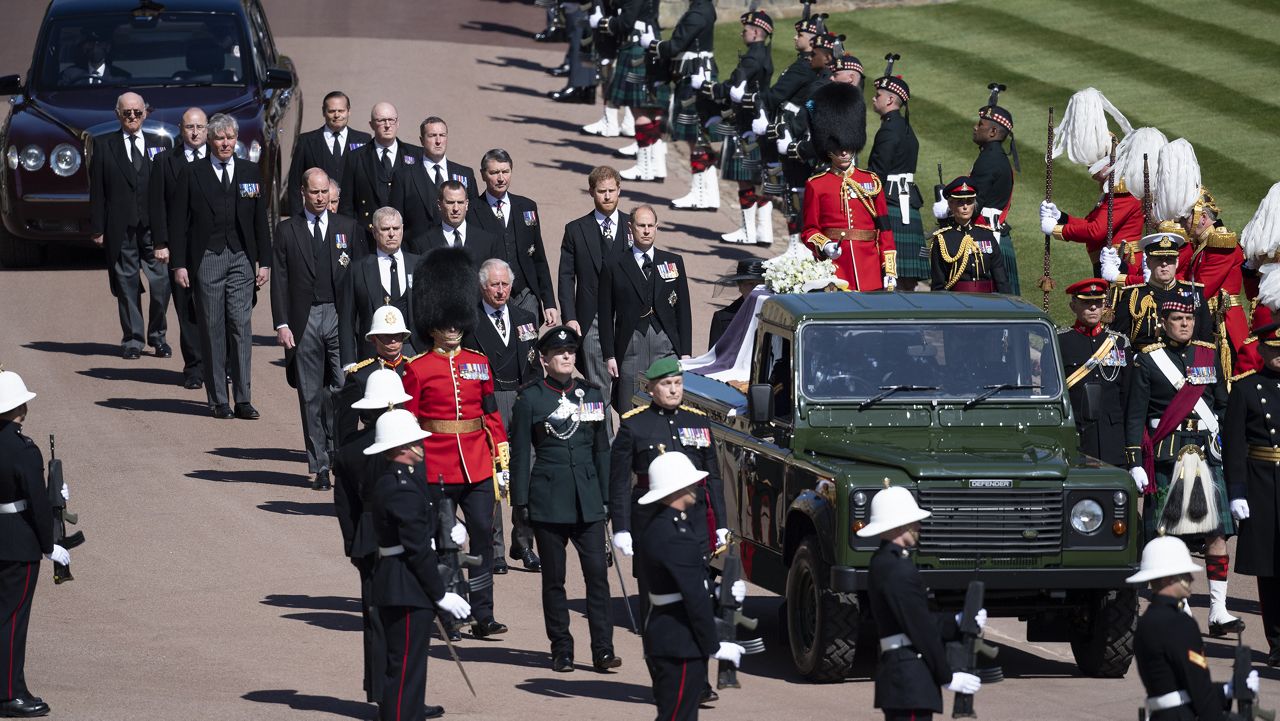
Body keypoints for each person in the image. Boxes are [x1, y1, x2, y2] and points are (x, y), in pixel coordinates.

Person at [402, 247, 510, 639]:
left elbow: (490, 412)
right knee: (446, 542)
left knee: (483, 534)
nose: (452, 329)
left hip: (478, 461)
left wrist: (502, 457)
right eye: (446, 323)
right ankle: (450, 609)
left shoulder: (479, 363)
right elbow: (410, 422)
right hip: (438, 465)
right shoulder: (417, 369)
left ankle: (483, 612)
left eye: (456, 323)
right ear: (433, 324)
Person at [1125, 300, 1242, 636]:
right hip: (1168, 454)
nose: (1185, 324)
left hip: (1206, 452)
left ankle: (1219, 610)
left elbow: (1222, 405)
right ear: (1163, 322)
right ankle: (1183, 610)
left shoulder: (1208, 354)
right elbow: (1136, 415)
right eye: (1177, 318)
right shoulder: (1148, 360)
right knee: (1169, 534)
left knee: (1217, 533)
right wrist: (1135, 461)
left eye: (1189, 318)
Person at [510, 326, 617, 672]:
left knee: (597, 577)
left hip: (587, 500)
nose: (567, 357)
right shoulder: (531, 398)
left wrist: (607, 498)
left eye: (571, 352)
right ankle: (562, 649)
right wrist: (520, 502)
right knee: (554, 579)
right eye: (559, 353)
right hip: (548, 500)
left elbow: (602, 450)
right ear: (544, 359)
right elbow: (521, 454)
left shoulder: (593, 394)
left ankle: (602, 649)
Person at [366, 409, 471, 721]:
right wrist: (439, 594)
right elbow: (417, 550)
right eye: (415, 442)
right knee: (405, 667)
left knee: (409, 666)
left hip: (401, 582)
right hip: (406, 586)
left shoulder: (400, 482)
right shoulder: (400, 488)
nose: (420, 447)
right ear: (401, 448)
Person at [170, 112, 271, 420]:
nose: (225, 143)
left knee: (241, 326)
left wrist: (264, 261)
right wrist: (179, 264)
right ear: (210, 141)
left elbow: (259, 221)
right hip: (207, 259)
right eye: (219, 138)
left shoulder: (250, 171)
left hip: (241, 257)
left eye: (230, 137)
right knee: (213, 328)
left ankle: (243, 398)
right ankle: (218, 400)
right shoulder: (192, 173)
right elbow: (178, 223)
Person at [609, 358, 726, 614]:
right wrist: (622, 528)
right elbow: (619, 481)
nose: (673, 390)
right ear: (651, 389)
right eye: (666, 384)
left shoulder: (698, 422)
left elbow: (713, 478)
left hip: (694, 518)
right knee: (655, 592)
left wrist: (721, 523)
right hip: (652, 518)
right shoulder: (634, 424)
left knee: (697, 591)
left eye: (677, 383)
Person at [272, 168, 365, 489]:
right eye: (315, 192)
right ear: (303, 192)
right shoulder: (287, 231)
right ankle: (320, 464)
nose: (321, 197)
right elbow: (280, 281)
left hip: (340, 318)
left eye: (325, 192)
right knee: (311, 394)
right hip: (304, 318)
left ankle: (342, 454)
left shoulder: (348, 228)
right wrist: (282, 323)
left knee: (343, 390)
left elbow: (360, 277)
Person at [857, 486, 983, 720]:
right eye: (913, 521)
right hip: (909, 677)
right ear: (898, 525)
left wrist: (956, 621)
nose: (919, 527)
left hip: (905, 675)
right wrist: (946, 676)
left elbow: (916, 618)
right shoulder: (897, 569)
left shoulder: (885, 562)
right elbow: (920, 629)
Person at [637, 451, 746, 721]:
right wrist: (714, 645)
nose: (696, 487)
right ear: (677, 488)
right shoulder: (674, 536)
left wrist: (721, 591)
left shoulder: (667, 527)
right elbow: (694, 596)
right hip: (680, 641)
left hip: (670, 635)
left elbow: (693, 582)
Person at [332, 368, 411, 705]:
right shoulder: (408, 443)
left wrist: (353, 545)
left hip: (367, 538)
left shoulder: (350, 449)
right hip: (406, 536)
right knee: (407, 622)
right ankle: (405, 696)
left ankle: (380, 693)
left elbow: (344, 504)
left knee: (375, 618)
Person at [462, 258, 542, 573]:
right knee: (491, 479)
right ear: (483, 286)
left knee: (527, 475)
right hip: (487, 405)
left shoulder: (526, 318)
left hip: (522, 402)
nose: (500, 290)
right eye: (494, 284)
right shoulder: (470, 321)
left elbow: (535, 366)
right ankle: (493, 549)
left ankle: (523, 543)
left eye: (505, 284)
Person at [1129, 536, 1255, 720]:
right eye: (1185, 573)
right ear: (1168, 578)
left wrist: (1227, 689)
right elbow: (1198, 686)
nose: (1191, 578)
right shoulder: (1179, 623)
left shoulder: (1147, 622)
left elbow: (1174, 684)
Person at [0, 370, 65, 718]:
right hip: (18, 542)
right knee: (12, 621)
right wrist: (49, 543)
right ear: (18, 407)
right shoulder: (24, 449)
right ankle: (10, 693)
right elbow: (37, 504)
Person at [90, 91, 173, 361]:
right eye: (127, 113)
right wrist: (98, 227)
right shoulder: (104, 145)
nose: (133, 117)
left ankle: (158, 336)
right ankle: (133, 339)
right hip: (120, 227)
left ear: (145, 113)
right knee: (126, 285)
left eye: (138, 112)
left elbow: (168, 189)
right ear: (118, 115)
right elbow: (98, 191)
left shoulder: (159, 144)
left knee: (161, 283)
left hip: (153, 228)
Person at [1157, 140, 1248, 376]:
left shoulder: (1221, 244)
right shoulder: (1201, 244)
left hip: (1224, 324)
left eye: (1188, 218)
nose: (1184, 224)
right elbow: (1182, 273)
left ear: (1204, 217)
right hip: (1208, 318)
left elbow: (1201, 287)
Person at [801, 81, 895, 291]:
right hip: (836, 269)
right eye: (837, 147)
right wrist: (824, 244)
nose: (843, 152)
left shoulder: (871, 181)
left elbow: (885, 230)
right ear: (827, 148)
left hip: (870, 269)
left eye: (847, 146)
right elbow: (809, 230)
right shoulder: (817, 185)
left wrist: (889, 270)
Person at [598, 205, 692, 411]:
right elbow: (605, 313)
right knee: (629, 408)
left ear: (657, 227)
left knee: (669, 404)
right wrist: (609, 355)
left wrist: (685, 352)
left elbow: (683, 311)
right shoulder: (614, 264)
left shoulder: (673, 262)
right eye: (642, 226)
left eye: (651, 226)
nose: (647, 230)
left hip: (666, 344)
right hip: (630, 345)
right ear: (630, 228)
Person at [1225, 321, 1280, 666]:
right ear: (1261, 350)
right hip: (1262, 484)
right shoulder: (1247, 389)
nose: (1279, 356)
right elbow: (1234, 444)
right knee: (1270, 568)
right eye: (1273, 349)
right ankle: (1277, 642)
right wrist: (1237, 491)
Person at [935, 88, 1020, 294]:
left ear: (992, 132)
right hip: (994, 232)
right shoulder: (994, 156)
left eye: (980, 124)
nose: (975, 127)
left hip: (986, 238)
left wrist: (946, 210)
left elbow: (974, 203)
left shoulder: (989, 160)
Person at [557, 166, 629, 404]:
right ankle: (604, 441)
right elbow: (566, 276)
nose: (607, 196)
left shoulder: (634, 227)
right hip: (591, 320)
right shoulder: (575, 230)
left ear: (619, 191)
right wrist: (570, 317)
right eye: (601, 191)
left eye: (611, 190)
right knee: (599, 389)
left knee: (628, 390)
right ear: (591, 192)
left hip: (626, 321)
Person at [149, 107, 208, 389]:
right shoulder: (164, 162)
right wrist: (161, 242)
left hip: (213, 248)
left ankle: (222, 365)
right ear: (180, 130)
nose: (195, 132)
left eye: (199, 127)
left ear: (207, 129)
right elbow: (157, 204)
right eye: (189, 127)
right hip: (180, 249)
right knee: (187, 310)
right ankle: (194, 368)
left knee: (218, 310)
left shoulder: (220, 159)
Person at [467, 149, 558, 325]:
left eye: (505, 171)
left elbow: (539, 258)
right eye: (494, 173)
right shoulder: (472, 211)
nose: (501, 178)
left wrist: (549, 303)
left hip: (526, 295)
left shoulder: (526, 207)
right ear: (483, 175)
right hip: (490, 298)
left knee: (529, 348)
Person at [642, 0, 717, 210]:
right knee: (699, 137)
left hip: (694, 74)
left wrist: (652, 44)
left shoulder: (697, 13)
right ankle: (710, 194)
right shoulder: (704, 8)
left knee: (696, 138)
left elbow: (675, 45)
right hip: (696, 71)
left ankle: (700, 195)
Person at [709, 11, 775, 245]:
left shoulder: (752, 58)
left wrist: (716, 89)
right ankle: (764, 231)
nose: (742, 32)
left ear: (757, 32)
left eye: (746, 29)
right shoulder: (765, 55)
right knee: (761, 180)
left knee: (745, 180)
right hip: (758, 120)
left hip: (747, 122)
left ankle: (748, 231)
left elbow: (735, 86)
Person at [1058, 279, 1130, 466]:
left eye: (1097, 303)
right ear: (1073, 306)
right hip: (1077, 436)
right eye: (1086, 303)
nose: (1093, 308)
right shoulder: (1060, 342)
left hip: (1112, 438)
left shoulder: (1119, 343)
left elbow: (1127, 395)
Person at [594, 0, 668, 182]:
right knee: (651, 111)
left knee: (639, 109)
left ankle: (644, 168)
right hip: (646, 41)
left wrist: (603, 23)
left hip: (636, 47)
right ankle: (657, 167)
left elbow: (626, 21)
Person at [338, 207, 420, 369]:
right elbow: (346, 318)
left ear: (402, 230)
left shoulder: (418, 265)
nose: (391, 234)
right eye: (385, 229)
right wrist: (348, 362)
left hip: (414, 352)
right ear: (374, 232)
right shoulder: (357, 269)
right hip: (372, 355)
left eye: (396, 228)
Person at [869, 62, 927, 290]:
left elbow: (877, 171)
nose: (874, 99)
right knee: (906, 278)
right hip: (907, 202)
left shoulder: (889, 129)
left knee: (890, 273)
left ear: (890, 100)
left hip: (891, 203)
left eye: (878, 95)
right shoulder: (904, 128)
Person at [335, 306, 420, 450]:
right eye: (386, 336)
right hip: (376, 446)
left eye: (397, 335)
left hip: (411, 443)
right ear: (374, 339)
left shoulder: (414, 369)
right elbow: (346, 427)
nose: (393, 341)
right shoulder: (360, 376)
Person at [339, 102, 423, 246]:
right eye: (381, 120)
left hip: (408, 239)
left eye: (391, 120)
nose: (387, 125)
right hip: (367, 238)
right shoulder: (355, 158)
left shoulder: (416, 155)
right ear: (371, 124)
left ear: (398, 123)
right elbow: (347, 205)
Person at [1112, 232, 1211, 349]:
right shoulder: (1133, 296)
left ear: (1177, 262)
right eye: (1159, 259)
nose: (1164, 264)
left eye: (1170, 259)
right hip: (1145, 364)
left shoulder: (1194, 293)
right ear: (1148, 263)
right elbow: (1120, 341)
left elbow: (1205, 340)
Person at [390, 116, 479, 241]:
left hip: (457, 249)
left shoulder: (465, 174)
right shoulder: (404, 176)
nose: (438, 141)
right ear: (421, 140)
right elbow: (396, 221)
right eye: (432, 136)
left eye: (442, 135)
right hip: (418, 252)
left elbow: (473, 218)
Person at [287, 90, 372, 217]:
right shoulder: (306, 141)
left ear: (349, 111)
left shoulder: (364, 140)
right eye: (332, 111)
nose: (336, 115)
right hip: (317, 216)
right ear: (323, 112)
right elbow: (294, 184)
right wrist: (298, 219)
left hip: (353, 217)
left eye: (341, 111)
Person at [929, 177, 1011, 293]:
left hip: (987, 300)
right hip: (957, 302)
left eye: (969, 201)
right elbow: (938, 285)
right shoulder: (942, 239)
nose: (965, 206)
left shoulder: (986, 235)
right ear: (951, 205)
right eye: (960, 202)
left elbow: (1001, 278)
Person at [416, 181, 500, 266]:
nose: (456, 208)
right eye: (450, 202)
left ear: (466, 204)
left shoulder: (488, 242)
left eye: (460, 202)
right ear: (439, 205)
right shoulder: (422, 244)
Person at [709, 258, 764, 347]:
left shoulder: (779, 315)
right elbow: (715, 357)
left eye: (760, 284)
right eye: (750, 283)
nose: (755, 289)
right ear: (740, 286)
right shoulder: (722, 318)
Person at [58, 28, 130, 86]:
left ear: (108, 47)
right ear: (84, 47)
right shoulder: (70, 75)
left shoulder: (121, 78)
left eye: (99, 44)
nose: (95, 48)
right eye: (90, 43)